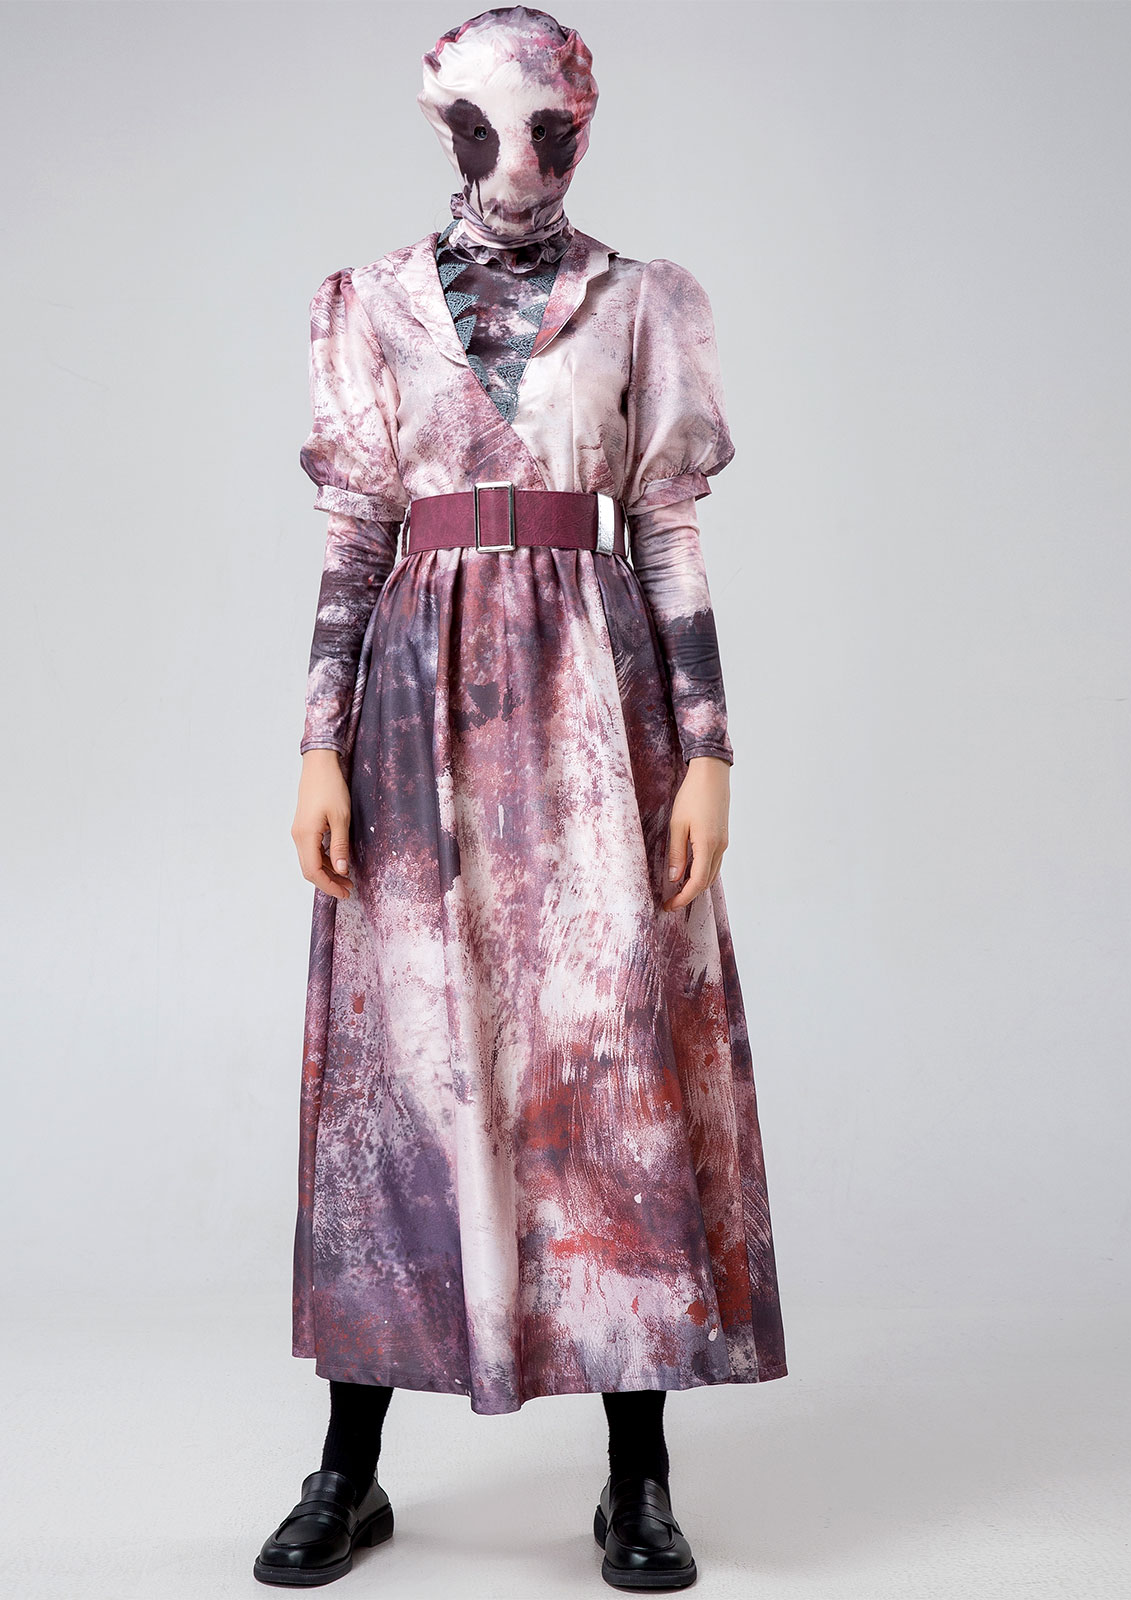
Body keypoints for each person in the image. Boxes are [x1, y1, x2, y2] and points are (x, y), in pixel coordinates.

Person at [256, 7, 788, 1590]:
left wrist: (708, 750)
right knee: (403, 1073)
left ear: (585, 125)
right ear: (442, 130)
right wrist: (316, 742)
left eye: (547, 127)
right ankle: (349, 1471)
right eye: (483, 128)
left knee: (604, 1063)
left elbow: (668, 530)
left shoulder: (642, 302)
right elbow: (355, 537)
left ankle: (638, 1478)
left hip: (596, 715)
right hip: (414, 715)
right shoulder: (366, 304)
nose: (517, 159)